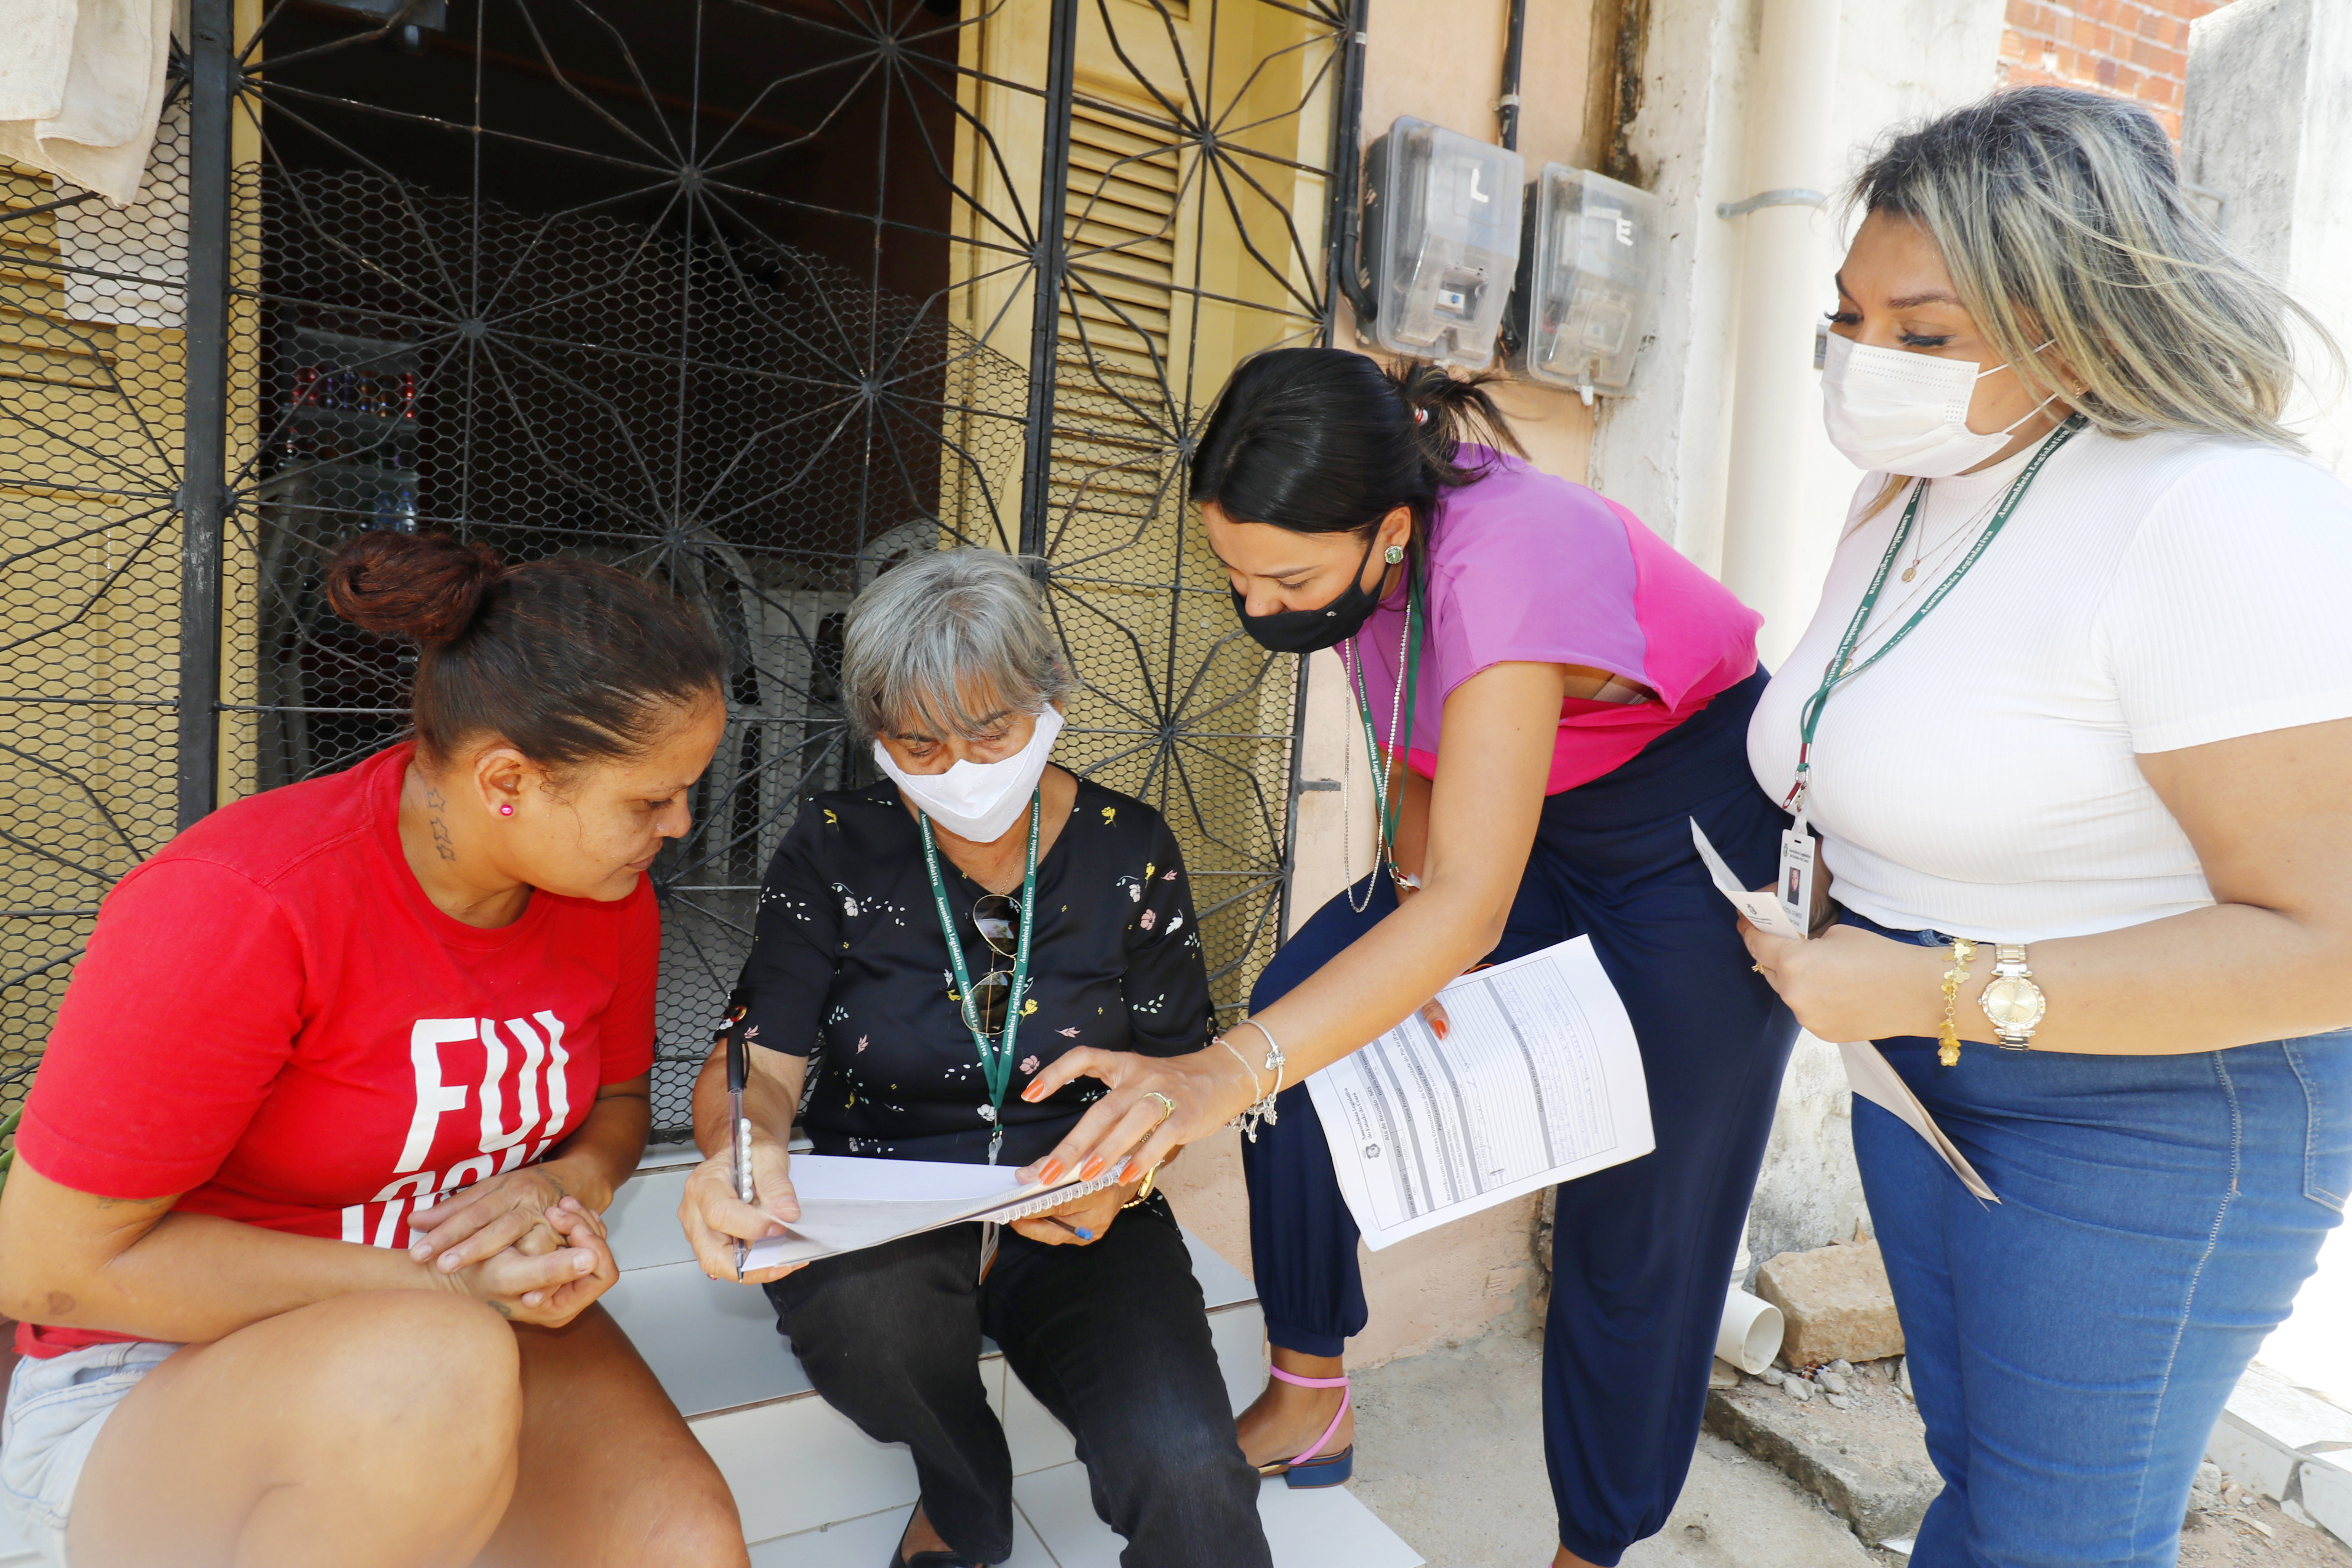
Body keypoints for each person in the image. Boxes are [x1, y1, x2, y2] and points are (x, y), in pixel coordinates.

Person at [1019, 346, 1801, 1568]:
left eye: (1285, 579)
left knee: (1643, 1194)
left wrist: (1227, 1066)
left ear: (1391, 531)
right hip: (1527, 819)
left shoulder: (1509, 561)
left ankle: (1593, 1543)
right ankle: (1309, 1391)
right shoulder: (1355, 544)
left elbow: (1473, 909)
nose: (1259, 607)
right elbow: (1416, 750)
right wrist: (1418, 915)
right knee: (1304, 1024)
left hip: (1686, 829)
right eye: (1235, 575)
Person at [1739, 87, 2352, 1567]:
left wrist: (1925, 982)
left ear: (2077, 326)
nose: (1864, 361)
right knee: (1984, 1484)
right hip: (1922, 1062)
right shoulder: (1915, 483)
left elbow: (2330, 941)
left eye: (1924, 332)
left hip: (2153, 1105)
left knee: (2060, 1538)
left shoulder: (2215, 516)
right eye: (1848, 316)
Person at [0, 531, 747, 1568]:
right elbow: (44, 1270)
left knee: (684, 1546)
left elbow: (619, 1103)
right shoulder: (246, 905)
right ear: (507, 780)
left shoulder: (605, 897)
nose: (680, 824)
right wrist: (438, 1290)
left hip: (464, 1330)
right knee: (431, 1373)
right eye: (649, 799)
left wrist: (561, 1183)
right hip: (160, 1366)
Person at [677, 548, 1270, 1568]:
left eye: (991, 732)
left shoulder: (1130, 848)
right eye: (920, 743)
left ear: (1051, 703)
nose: (958, 768)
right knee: (865, 1325)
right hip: (885, 1197)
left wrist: (1126, 1177)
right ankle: (964, 1487)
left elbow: (1177, 1077)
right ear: (877, 739)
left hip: (1079, 1193)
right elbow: (759, 1064)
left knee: (1189, 1473)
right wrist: (744, 1147)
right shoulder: (834, 843)